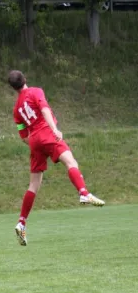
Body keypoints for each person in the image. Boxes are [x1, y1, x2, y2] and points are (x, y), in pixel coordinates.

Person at [8, 70, 105, 246]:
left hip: (34, 141)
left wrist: (34, 144)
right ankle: (83, 193)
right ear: (25, 79)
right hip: (46, 132)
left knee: (33, 185)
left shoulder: (16, 109)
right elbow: (44, 109)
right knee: (71, 162)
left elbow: (23, 135)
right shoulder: (36, 91)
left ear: (13, 88)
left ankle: (21, 222)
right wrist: (54, 129)